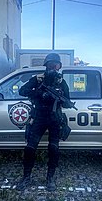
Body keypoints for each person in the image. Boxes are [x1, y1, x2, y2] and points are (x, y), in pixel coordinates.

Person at [17, 53, 70, 191]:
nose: (54, 68)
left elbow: (68, 102)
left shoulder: (61, 82)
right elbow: (22, 91)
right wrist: (40, 93)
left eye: (56, 65)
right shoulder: (38, 79)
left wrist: (61, 99)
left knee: (54, 148)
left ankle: (50, 178)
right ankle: (26, 177)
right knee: (30, 148)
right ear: (46, 66)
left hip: (54, 118)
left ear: (59, 67)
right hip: (39, 116)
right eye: (51, 65)